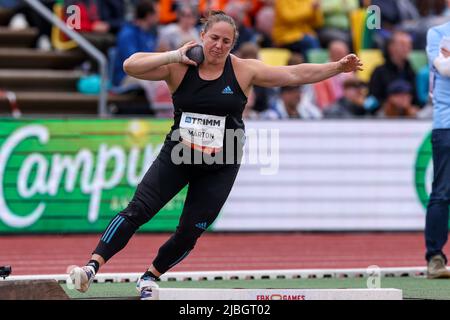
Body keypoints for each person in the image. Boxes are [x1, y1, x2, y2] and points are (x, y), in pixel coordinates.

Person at [69, 10, 362, 299]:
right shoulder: (180, 66)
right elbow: (130, 66)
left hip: (223, 160)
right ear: (201, 37)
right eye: (213, 38)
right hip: (180, 154)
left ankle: (150, 277)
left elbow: (294, 73)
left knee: (190, 231)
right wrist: (173, 55)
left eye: (226, 41)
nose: (218, 46)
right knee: (138, 210)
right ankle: (92, 268)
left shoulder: (244, 69)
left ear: (233, 44)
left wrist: (337, 67)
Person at [424, 21, 450, 279]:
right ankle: (435, 257)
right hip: (447, 125)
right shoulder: (438, 32)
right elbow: (443, 68)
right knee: (442, 192)